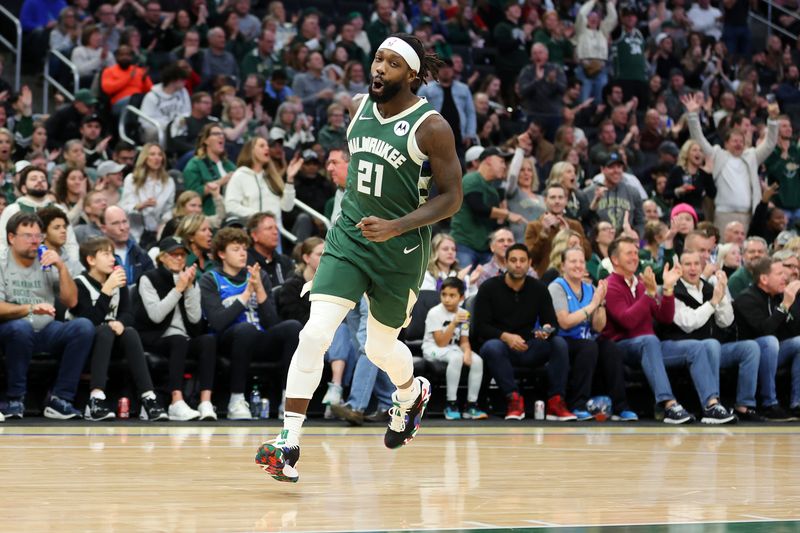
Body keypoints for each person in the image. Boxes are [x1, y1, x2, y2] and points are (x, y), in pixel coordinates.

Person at [256, 34, 463, 483]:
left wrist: (395, 224)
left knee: (378, 347)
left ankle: (410, 394)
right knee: (314, 333)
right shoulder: (357, 107)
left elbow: (452, 198)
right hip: (349, 239)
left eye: (390, 63)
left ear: (411, 74)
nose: (379, 68)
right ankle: (288, 443)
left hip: (400, 251)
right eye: (376, 59)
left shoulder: (432, 126)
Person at [602, 236, 730, 423]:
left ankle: (711, 405)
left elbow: (665, 317)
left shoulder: (641, 282)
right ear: (615, 259)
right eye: (629, 253)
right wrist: (649, 293)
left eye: (636, 253)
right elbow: (627, 321)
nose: (635, 257)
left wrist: (668, 290)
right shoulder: (610, 285)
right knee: (650, 340)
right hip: (623, 347)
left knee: (698, 346)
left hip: (650, 346)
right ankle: (669, 405)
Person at [200, 228, 301, 420]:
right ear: (221, 254)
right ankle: (236, 400)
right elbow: (217, 322)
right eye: (235, 249)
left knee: (293, 327)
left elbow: (272, 323)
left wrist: (259, 289)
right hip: (228, 340)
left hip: (259, 338)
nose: (242, 253)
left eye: (244, 249)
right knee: (246, 330)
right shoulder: (210, 279)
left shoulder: (258, 276)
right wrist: (246, 294)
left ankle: (288, 399)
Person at [0, 212, 94, 419]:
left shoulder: (45, 259)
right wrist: (30, 309)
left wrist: (61, 267)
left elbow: (72, 302)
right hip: (10, 330)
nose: (35, 241)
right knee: (20, 328)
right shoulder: (2, 261)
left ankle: (60, 399)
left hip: (45, 330)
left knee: (83, 327)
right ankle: (15, 398)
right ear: (11, 238)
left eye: (38, 236)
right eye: (28, 236)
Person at [70, 237, 168, 421]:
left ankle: (148, 399)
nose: (112, 259)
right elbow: (89, 321)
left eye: (113, 254)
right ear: (91, 260)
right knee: (104, 330)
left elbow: (128, 314)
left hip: (111, 345)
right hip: (84, 347)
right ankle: (95, 400)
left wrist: (122, 323)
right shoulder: (79, 283)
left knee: (129, 331)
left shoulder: (118, 281)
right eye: (106, 254)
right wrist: (106, 290)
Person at [473, 244, 575, 421]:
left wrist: (546, 331)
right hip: (501, 346)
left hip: (530, 345)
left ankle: (556, 402)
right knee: (491, 347)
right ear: (505, 263)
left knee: (559, 343)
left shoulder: (539, 288)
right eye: (513, 260)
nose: (518, 265)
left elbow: (552, 323)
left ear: (529, 263)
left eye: (522, 260)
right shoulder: (489, 287)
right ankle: (513, 400)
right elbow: (480, 326)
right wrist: (505, 336)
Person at [661, 250, 761, 421]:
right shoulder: (673, 290)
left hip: (712, 349)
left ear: (702, 267)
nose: (693, 268)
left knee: (750, 347)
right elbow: (688, 323)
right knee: (711, 344)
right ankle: (713, 406)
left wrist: (722, 294)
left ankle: (744, 404)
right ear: (679, 268)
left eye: (696, 264)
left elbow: (726, 322)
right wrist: (713, 302)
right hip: (682, 347)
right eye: (687, 264)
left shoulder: (708, 288)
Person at [549, 247, 638, 421]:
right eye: (573, 261)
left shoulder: (590, 288)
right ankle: (578, 404)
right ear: (563, 265)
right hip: (563, 340)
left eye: (581, 261)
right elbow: (565, 322)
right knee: (588, 347)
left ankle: (621, 406)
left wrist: (601, 304)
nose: (578, 265)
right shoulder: (556, 287)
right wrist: (592, 305)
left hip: (586, 340)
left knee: (610, 348)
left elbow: (598, 327)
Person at [135, 236, 218, 421]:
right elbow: (156, 315)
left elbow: (195, 318)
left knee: (208, 340)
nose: (179, 259)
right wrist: (177, 290)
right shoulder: (148, 278)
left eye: (182, 255)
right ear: (162, 257)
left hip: (182, 337)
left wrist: (189, 289)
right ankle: (176, 401)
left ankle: (206, 401)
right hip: (154, 336)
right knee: (178, 340)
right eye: (174, 255)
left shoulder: (190, 279)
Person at [275, 237, 355, 418]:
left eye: (328, 254)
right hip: (303, 340)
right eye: (320, 254)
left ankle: (335, 391)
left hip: (331, 342)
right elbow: (294, 322)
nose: (326, 258)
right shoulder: (292, 285)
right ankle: (335, 396)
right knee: (340, 336)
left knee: (351, 340)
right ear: (306, 258)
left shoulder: (334, 283)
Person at [682, 92, 779, 233]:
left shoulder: (752, 156)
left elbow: (770, 143)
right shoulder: (717, 154)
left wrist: (773, 119)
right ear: (726, 143)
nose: (738, 144)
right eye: (734, 141)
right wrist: (692, 116)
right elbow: (699, 139)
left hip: (748, 215)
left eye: (741, 141)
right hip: (723, 215)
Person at [734, 257, 800, 420]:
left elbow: (793, 329)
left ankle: (797, 403)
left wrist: (794, 301)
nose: (785, 277)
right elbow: (764, 331)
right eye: (779, 274)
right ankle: (769, 404)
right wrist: (784, 306)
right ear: (764, 279)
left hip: (774, 354)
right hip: (750, 356)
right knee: (769, 341)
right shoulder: (746, 298)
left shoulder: (777, 296)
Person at [422, 277, 487, 420]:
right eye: (444, 294)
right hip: (432, 348)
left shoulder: (464, 314)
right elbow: (440, 343)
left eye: (452, 295)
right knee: (457, 358)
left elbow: (463, 341)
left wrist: (468, 352)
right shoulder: (435, 313)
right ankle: (450, 403)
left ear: (461, 297)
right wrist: (453, 323)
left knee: (477, 361)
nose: (447, 299)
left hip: (452, 348)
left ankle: (471, 405)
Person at [451, 147, 522, 268]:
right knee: (464, 283)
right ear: (488, 160)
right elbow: (478, 208)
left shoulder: (493, 190)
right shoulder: (472, 179)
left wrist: (502, 219)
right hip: (465, 244)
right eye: (501, 161)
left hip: (484, 248)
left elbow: (494, 223)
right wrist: (507, 214)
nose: (504, 166)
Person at [225, 137, 299, 231]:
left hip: (275, 234)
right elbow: (230, 206)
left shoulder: (272, 177)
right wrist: (258, 215)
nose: (267, 148)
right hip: (251, 232)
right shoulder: (240, 176)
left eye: (267, 146)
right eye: (262, 146)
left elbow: (287, 207)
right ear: (251, 151)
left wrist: (290, 179)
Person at [525, 183, 591, 277]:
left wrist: (569, 235)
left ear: (566, 200)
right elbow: (530, 259)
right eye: (552, 197)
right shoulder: (533, 226)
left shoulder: (575, 225)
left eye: (560, 197)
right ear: (545, 200)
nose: (557, 201)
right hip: (545, 279)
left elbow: (587, 254)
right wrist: (543, 234)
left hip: (573, 277)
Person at [119, 143, 175, 249]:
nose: (157, 158)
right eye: (152, 154)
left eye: (159, 154)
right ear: (144, 158)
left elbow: (169, 209)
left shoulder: (169, 182)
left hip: (158, 233)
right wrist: (140, 206)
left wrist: (164, 223)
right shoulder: (131, 179)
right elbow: (124, 207)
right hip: (135, 233)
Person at [183, 124, 235, 217]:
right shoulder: (195, 164)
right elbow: (191, 195)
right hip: (209, 216)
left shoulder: (229, 164)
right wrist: (220, 182)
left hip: (232, 214)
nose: (221, 136)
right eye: (216, 134)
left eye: (222, 134)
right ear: (206, 140)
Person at [100, 205, 154, 286]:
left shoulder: (140, 254)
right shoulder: (97, 257)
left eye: (124, 221)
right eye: (115, 223)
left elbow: (152, 284)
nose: (123, 227)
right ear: (103, 228)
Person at [420, 233, 480, 297]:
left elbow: (472, 302)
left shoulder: (463, 275)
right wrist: (457, 281)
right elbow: (430, 301)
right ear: (435, 251)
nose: (450, 252)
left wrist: (471, 284)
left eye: (453, 249)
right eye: (445, 249)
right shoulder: (427, 275)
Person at [246, 212, 295, 288]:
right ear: (254, 235)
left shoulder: (285, 261)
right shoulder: (246, 261)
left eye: (276, 228)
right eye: (269, 228)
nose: (275, 232)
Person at [37, 206, 82, 276]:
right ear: (43, 233)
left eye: (64, 227)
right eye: (57, 228)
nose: (63, 231)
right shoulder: (34, 258)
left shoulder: (71, 260)